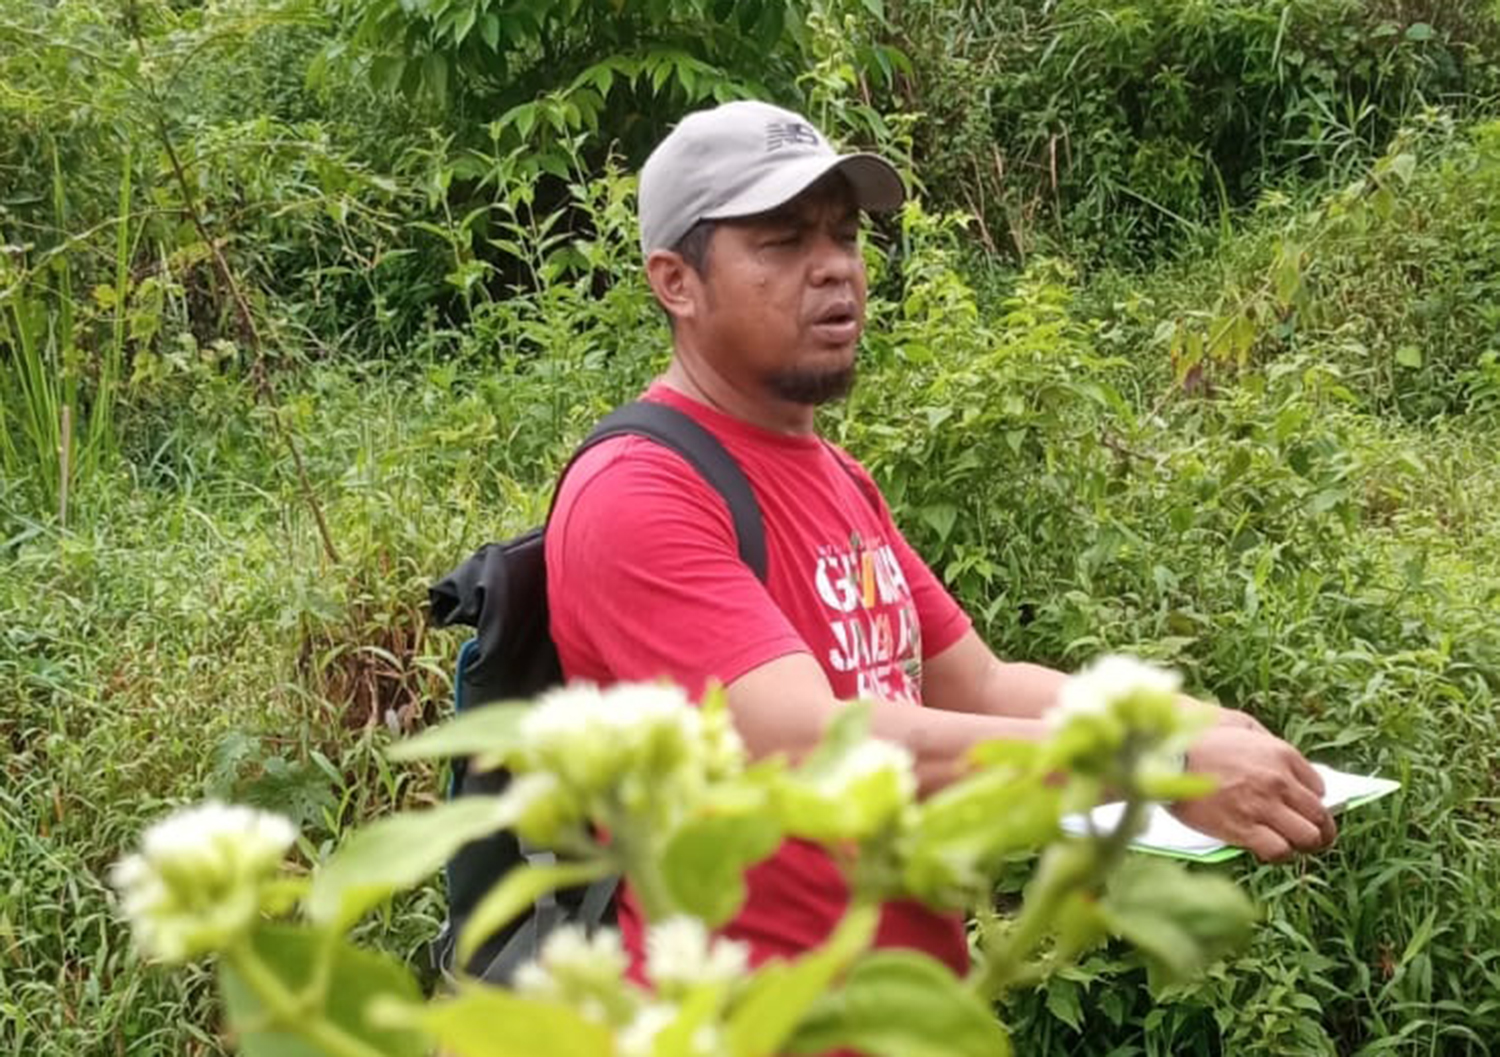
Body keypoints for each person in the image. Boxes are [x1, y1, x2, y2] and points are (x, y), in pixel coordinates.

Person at [545, 100, 1337, 978]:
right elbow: (811, 745)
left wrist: (1189, 720)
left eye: (844, 236)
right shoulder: (639, 490)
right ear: (675, 282)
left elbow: (983, 683)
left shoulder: (836, 476)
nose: (835, 270)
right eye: (781, 241)